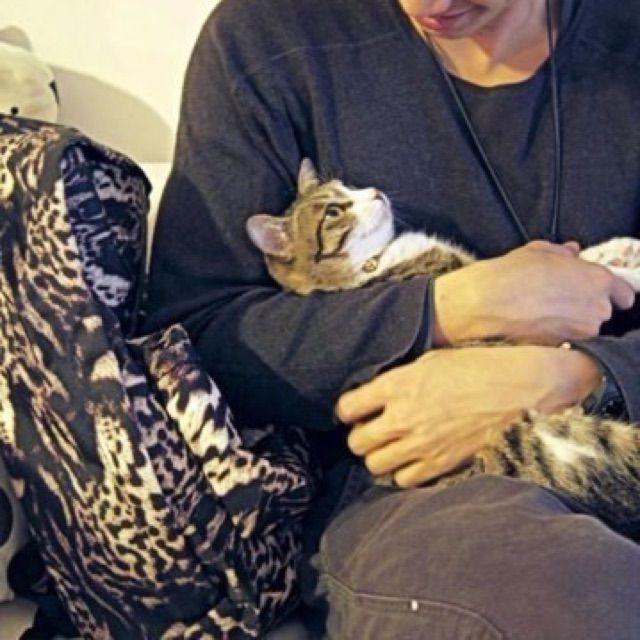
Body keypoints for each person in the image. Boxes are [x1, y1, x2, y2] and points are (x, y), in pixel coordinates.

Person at [144, 0, 640, 637]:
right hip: (420, 493)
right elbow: (198, 337)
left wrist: (584, 374)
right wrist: (448, 307)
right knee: (573, 599)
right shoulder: (270, 39)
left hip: (611, 437)